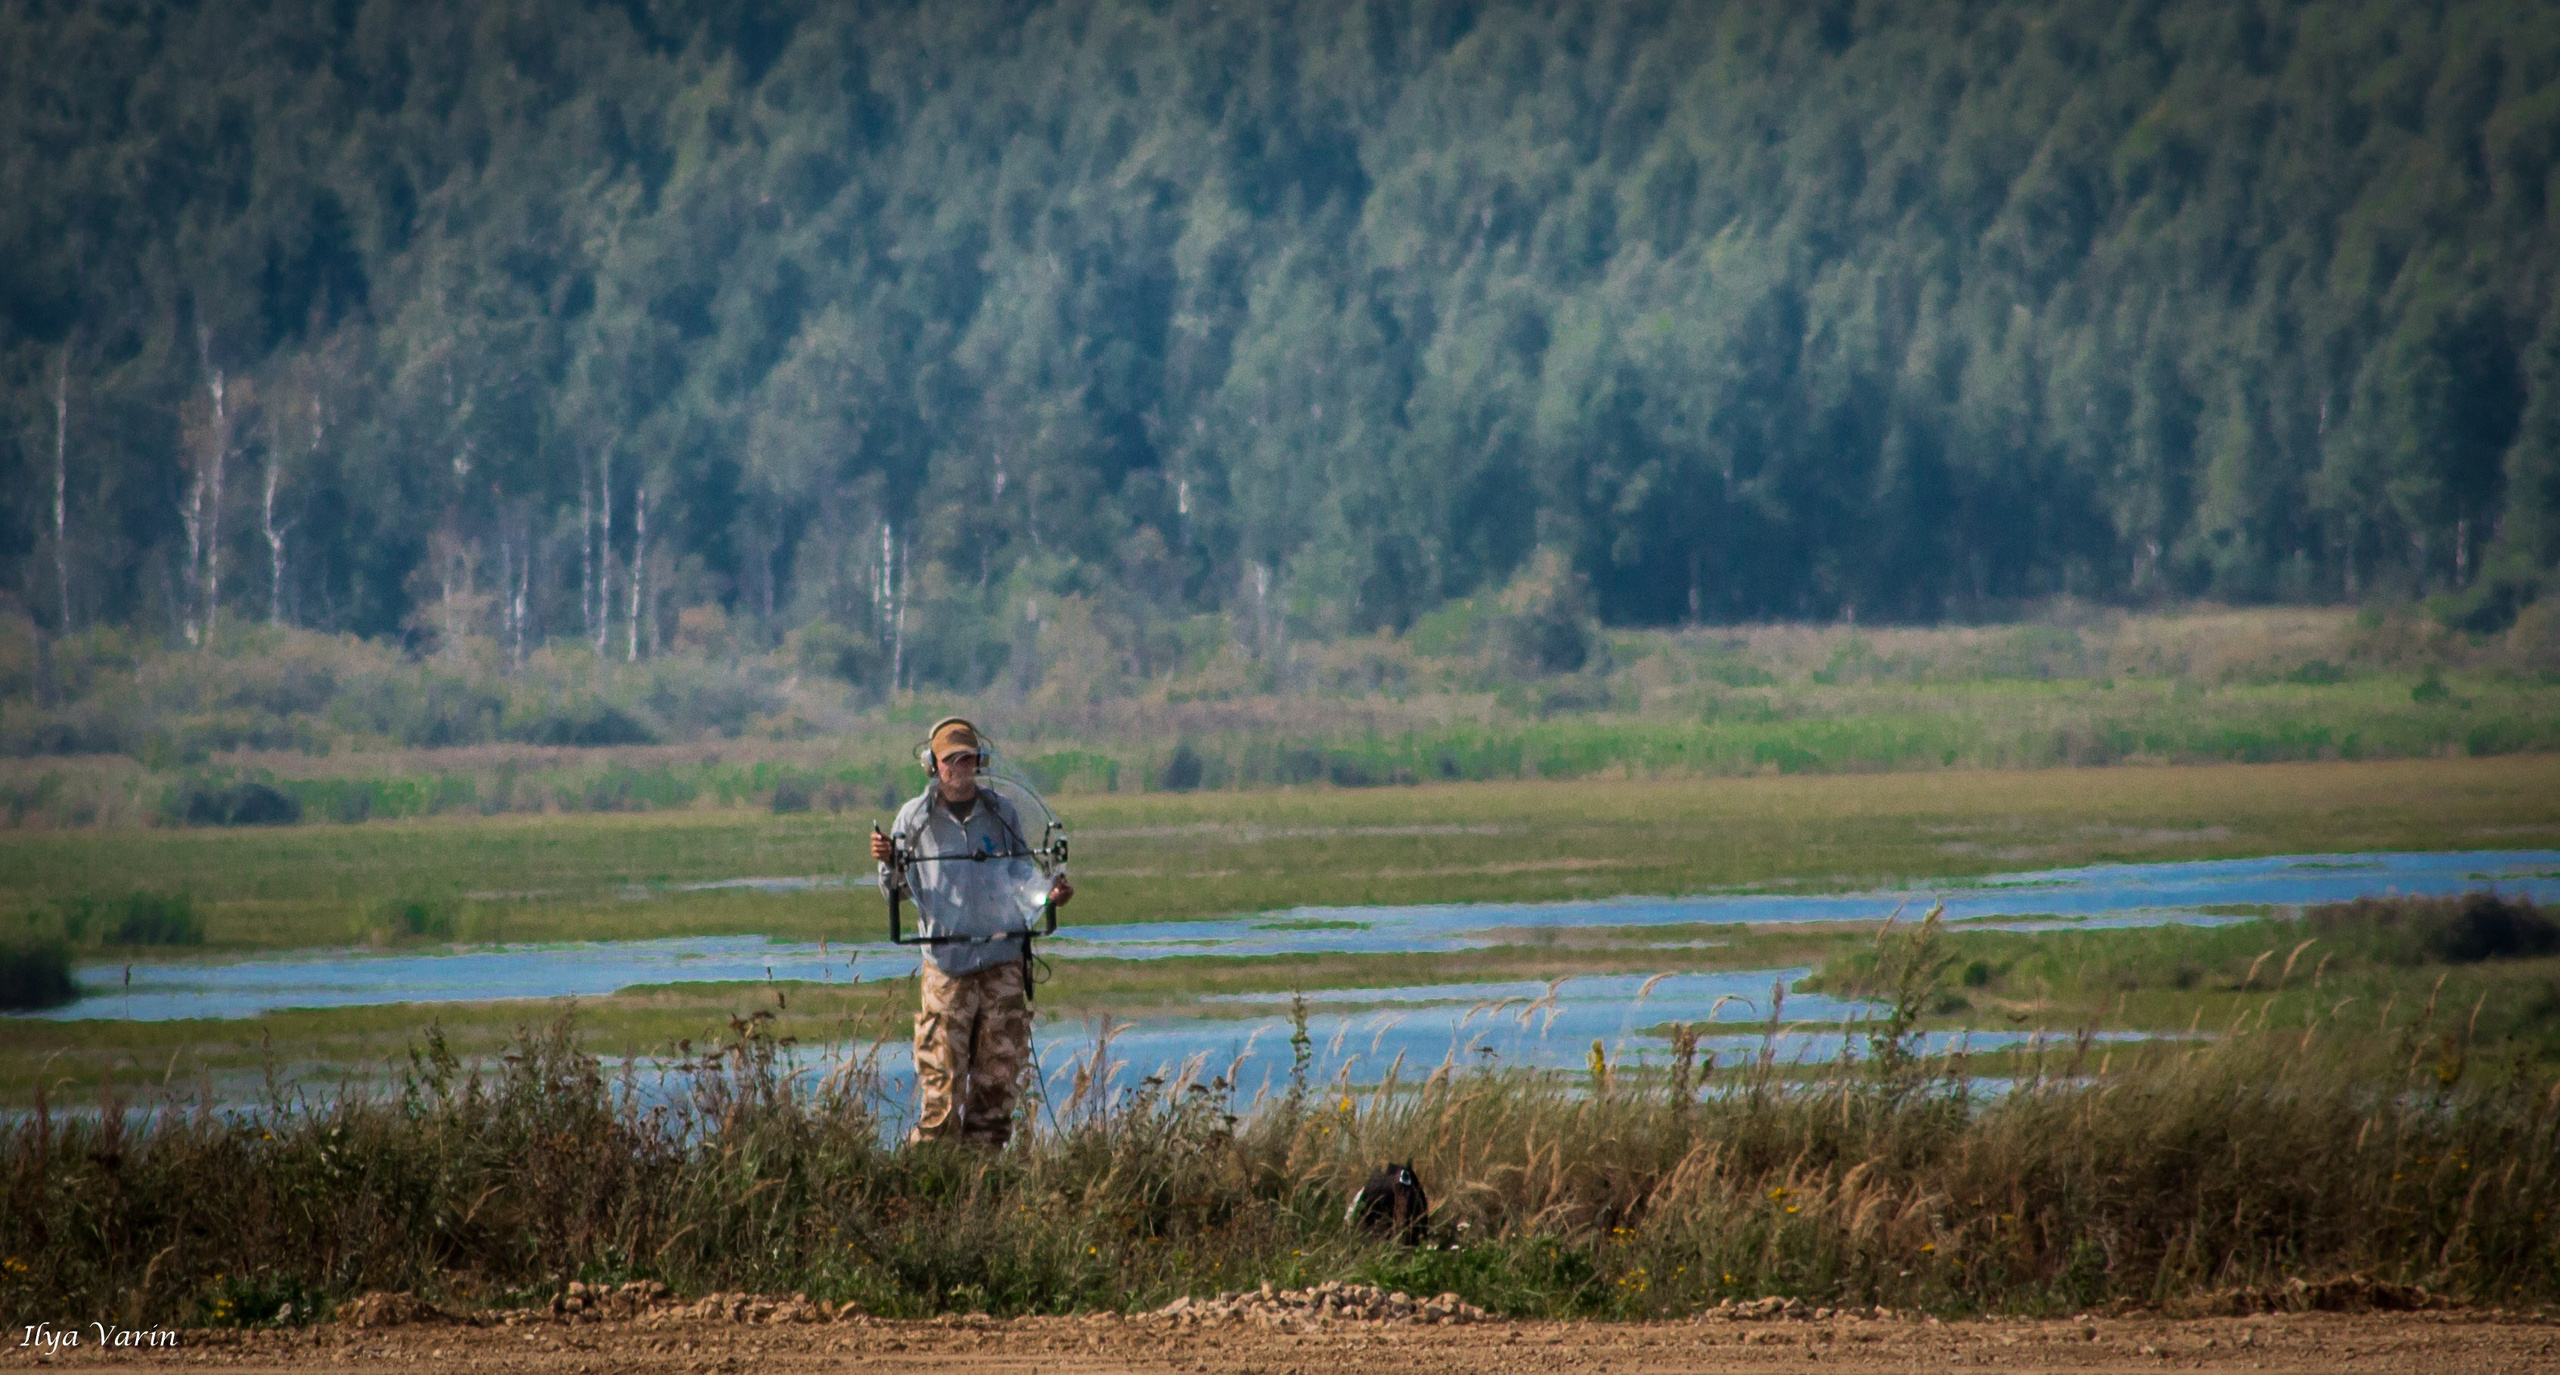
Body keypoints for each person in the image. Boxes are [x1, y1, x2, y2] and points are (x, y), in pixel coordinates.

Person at [870, 717, 1072, 1148]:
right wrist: (890, 861)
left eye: (968, 759)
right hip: (948, 967)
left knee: (997, 1089)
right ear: (933, 765)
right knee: (942, 1093)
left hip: (1002, 963)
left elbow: (1020, 873)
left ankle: (984, 1186)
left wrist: (1048, 893)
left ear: (980, 762)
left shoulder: (1002, 811)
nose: (960, 769)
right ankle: (930, 1187)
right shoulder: (914, 817)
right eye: (951, 761)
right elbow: (898, 889)